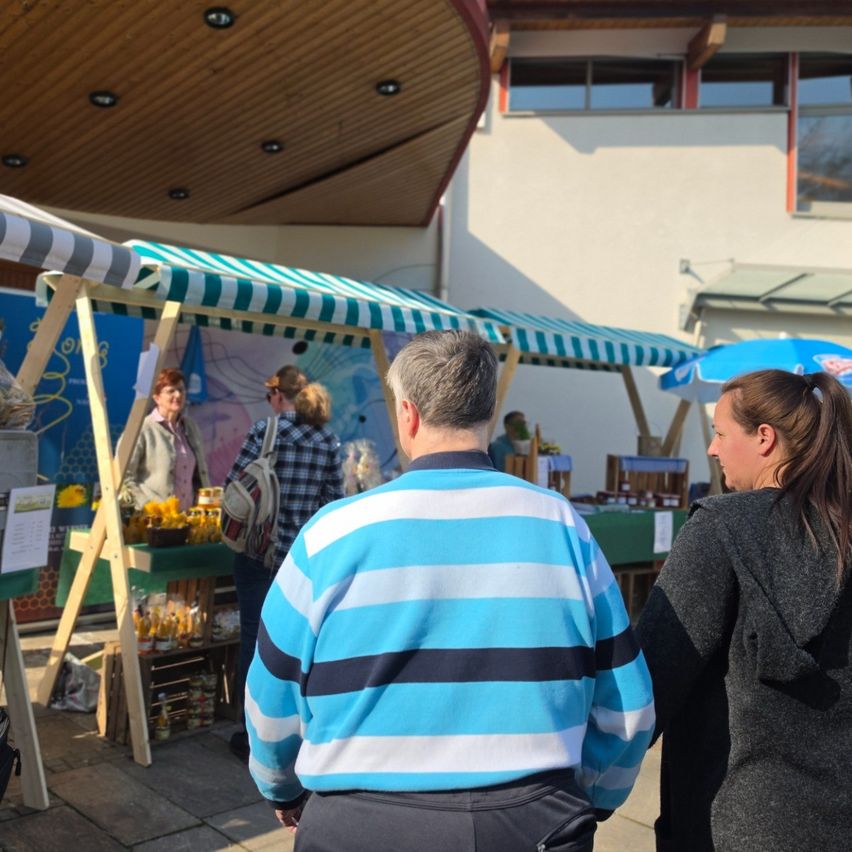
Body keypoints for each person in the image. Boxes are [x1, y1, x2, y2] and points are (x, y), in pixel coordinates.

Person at [245, 330, 654, 850]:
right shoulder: (561, 525)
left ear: (408, 415)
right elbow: (629, 706)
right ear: (488, 411)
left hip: (358, 826)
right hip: (533, 822)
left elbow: (270, 700)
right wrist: (592, 797)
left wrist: (282, 788)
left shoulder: (330, 534)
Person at [636, 369, 852, 852]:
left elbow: (647, 684)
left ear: (765, 438)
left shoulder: (721, 527)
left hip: (727, 824)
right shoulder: (842, 532)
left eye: (720, 433)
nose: (712, 449)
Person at [226, 365, 343, 763]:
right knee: (295, 641)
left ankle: (250, 731)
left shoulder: (266, 430)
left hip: (258, 553)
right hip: (302, 560)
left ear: (278, 395)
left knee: (253, 638)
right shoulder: (328, 440)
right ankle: (291, 727)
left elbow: (234, 486)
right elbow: (333, 502)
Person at [121, 367, 210, 510]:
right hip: (153, 518)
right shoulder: (141, 429)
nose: (178, 395)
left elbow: (199, 475)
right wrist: (147, 507)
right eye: (171, 391)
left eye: (181, 390)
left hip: (188, 517)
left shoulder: (191, 427)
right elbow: (123, 476)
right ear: (156, 397)